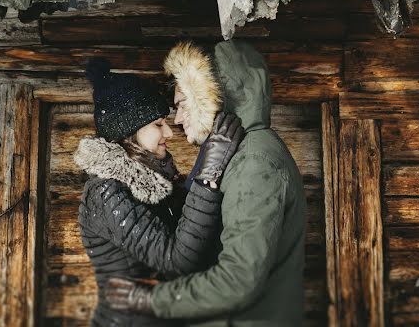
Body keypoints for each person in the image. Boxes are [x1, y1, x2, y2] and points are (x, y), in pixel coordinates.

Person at [102, 40, 307, 326]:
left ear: (212, 98)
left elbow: (238, 280)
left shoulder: (254, 162)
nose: (179, 119)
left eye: (184, 105)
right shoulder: (236, 154)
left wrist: (152, 299)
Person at [75, 57, 245, 326]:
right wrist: (208, 175)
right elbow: (176, 259)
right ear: (129, 131)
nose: (169, 132)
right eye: (157, 124)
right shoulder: (107, 192)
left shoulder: (155, 176)